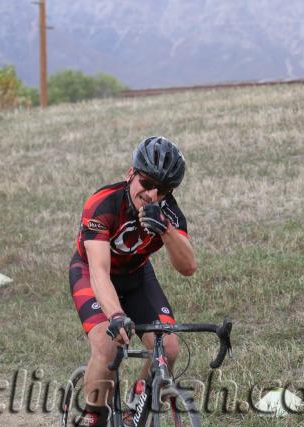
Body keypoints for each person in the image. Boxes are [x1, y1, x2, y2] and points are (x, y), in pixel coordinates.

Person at [69, 136, 196, 426]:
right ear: (131, 174)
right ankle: (93, 416)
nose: (152, 193)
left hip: (136, 276)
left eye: (162, 189)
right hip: (92, 273)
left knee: (170, 347)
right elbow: (100, 271)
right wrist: (115, 315)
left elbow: (188, 267)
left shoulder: (169, 213)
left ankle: (133, 410)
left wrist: (166, 231)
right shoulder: (103, 204)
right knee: (107, 345)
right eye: (147, 182)